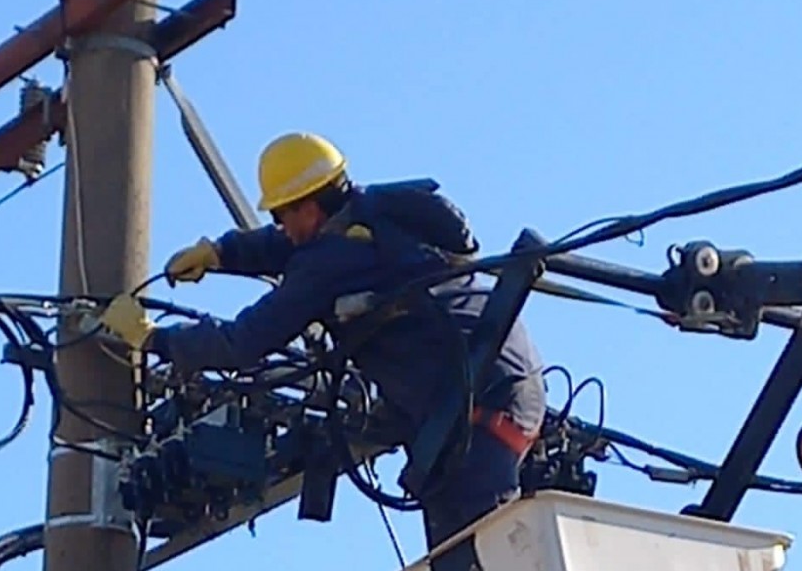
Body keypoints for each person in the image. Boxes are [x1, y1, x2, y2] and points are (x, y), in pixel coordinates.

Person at [102, 132, 546, 549]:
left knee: (478, 566)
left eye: (281, 214)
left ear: (310, 206)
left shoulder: (331, 263)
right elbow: (289, 246)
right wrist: (223, 253)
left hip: (475, 413)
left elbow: (242, 343)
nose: (280, 226)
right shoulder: (375, 214)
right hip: (501, 385)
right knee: (468, 565)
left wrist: (152, 338)